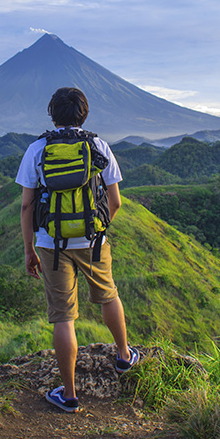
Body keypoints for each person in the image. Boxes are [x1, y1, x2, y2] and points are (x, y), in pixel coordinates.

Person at [15, 86, 139, 412]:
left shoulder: (37, 149)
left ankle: (69, 395)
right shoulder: (98, 145)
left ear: (52, 113)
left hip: (51, 244)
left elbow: (27, 206)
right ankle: (124, 356)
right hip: (94, 240)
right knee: (108, 295)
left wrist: (29, 249)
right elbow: (115, 201)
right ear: (84, 113)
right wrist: (97, 229)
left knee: (63, 317)